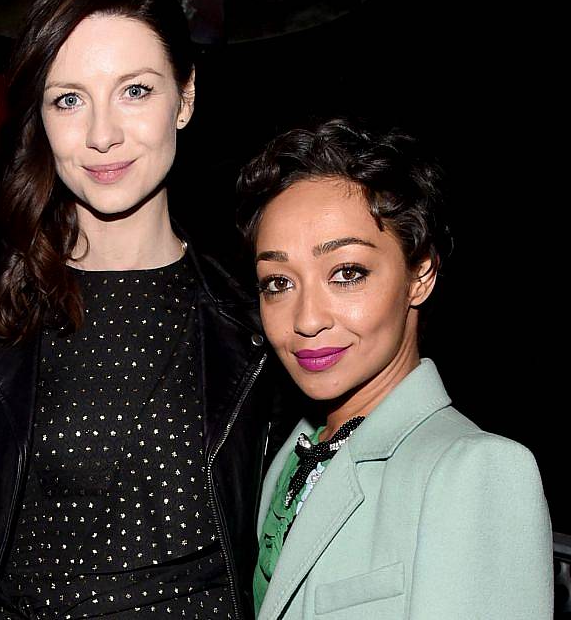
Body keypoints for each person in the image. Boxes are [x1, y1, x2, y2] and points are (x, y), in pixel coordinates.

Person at [0, 0, 285, 620]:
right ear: (42, 116)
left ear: (184, 97)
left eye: (136, 90)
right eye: (70, 99)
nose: (101, 134)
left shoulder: (257, 324)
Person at [236, 119, 552, 619]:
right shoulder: (286, 462)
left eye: (347, 273)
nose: (307, 319)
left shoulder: (476, 469)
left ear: (420, 276)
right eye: (278, 282)